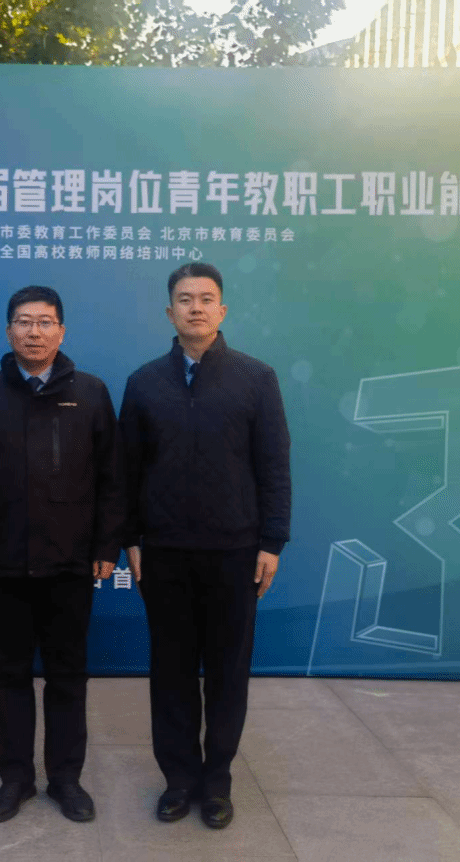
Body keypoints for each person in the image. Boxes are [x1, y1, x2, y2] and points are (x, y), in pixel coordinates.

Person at [119, 262, 291, 830]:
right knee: (170, 671)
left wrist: (271, 540)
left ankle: (217, 782)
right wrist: (130, 537)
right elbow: (127, 470)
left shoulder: (255, 378)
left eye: (206, 298)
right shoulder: (144, 382)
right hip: (164, 552)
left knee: (226, 672)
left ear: (222, 310)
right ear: (169, 312)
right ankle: (178, 781)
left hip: (235, 552)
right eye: (185, 298)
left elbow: (274, 465)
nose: (196, 307)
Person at [0, 285, 123, 824]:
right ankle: (15, 780)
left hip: (70, 563)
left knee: (68, 675)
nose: (34, 332)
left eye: (45, 322)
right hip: (3, 562)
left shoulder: (91, 392)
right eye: (24, 322)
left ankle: (66, 779)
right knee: (9, 675)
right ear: (8, 332)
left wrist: (106, 545)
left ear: (61, 332)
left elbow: (112, 478)